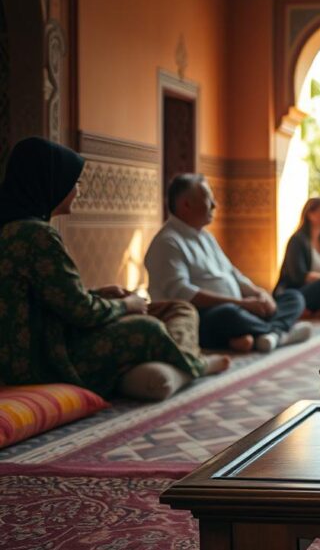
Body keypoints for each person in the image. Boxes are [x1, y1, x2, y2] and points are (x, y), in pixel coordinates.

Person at [0, 138, 228, 398]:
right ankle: (193, 365)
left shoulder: (14, 229)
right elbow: (82, 314)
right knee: (147, 327)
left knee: (178, 307)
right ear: (50, 183)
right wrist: (127, 306)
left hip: (42, 344)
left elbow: (49, 298)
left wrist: (99, 294)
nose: (78, 190)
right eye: (74, 182)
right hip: (48, 358)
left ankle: (168, 366)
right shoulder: (37, 236)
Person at [145, 173, 312, 353]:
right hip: (201, 317)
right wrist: (242, 304)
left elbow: (232, 273)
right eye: (209, 199)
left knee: (294, 297)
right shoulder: (168, 242)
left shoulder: (206, 237)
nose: (214, 205)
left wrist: (260, 294)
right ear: (186, 205)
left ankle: (265, 334)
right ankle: (281, 332)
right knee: (228, 315)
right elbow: (183, 294)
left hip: (239, 307)